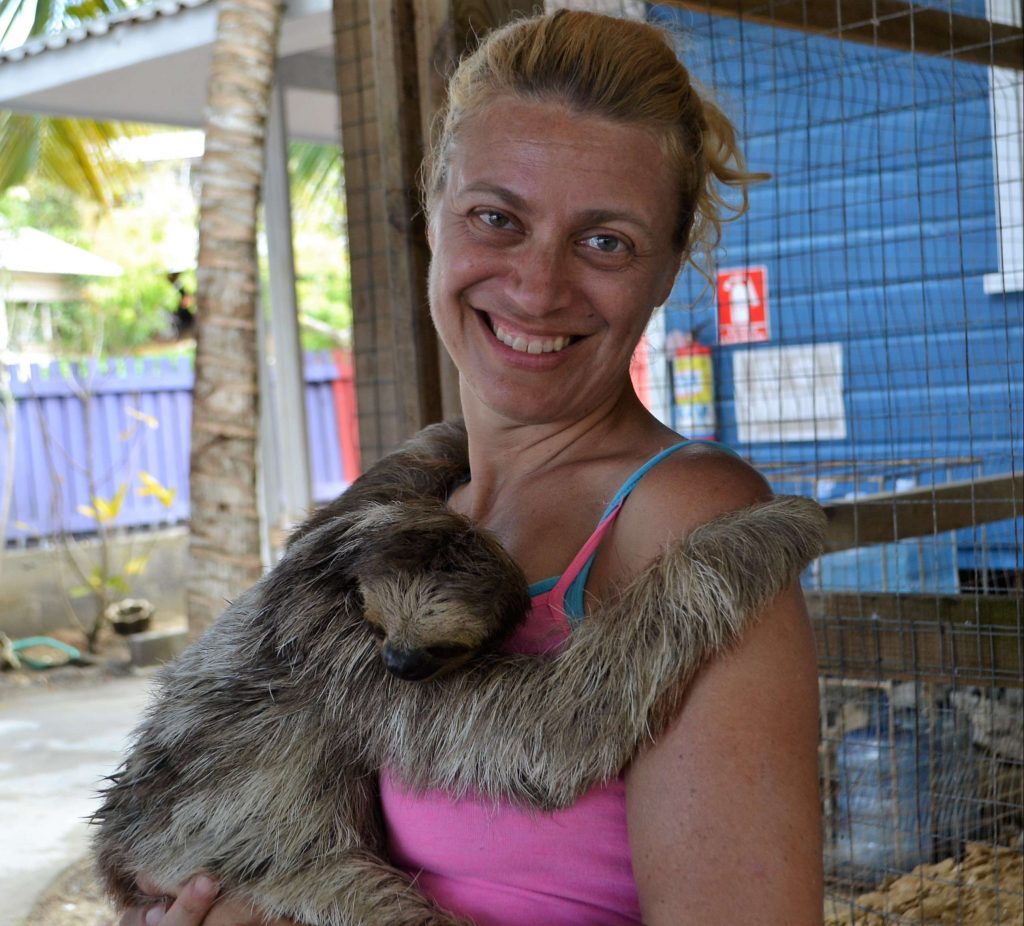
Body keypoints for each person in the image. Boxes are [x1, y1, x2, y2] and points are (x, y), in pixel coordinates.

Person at [120, 10, 823, 925]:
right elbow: (553, 730)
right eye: (497, 217)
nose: (538, 286)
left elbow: (551, 735)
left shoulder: (687, 520)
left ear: (668, 268)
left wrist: (742, 551)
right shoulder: (408, 503)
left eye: (605, 240)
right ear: (432, 210)